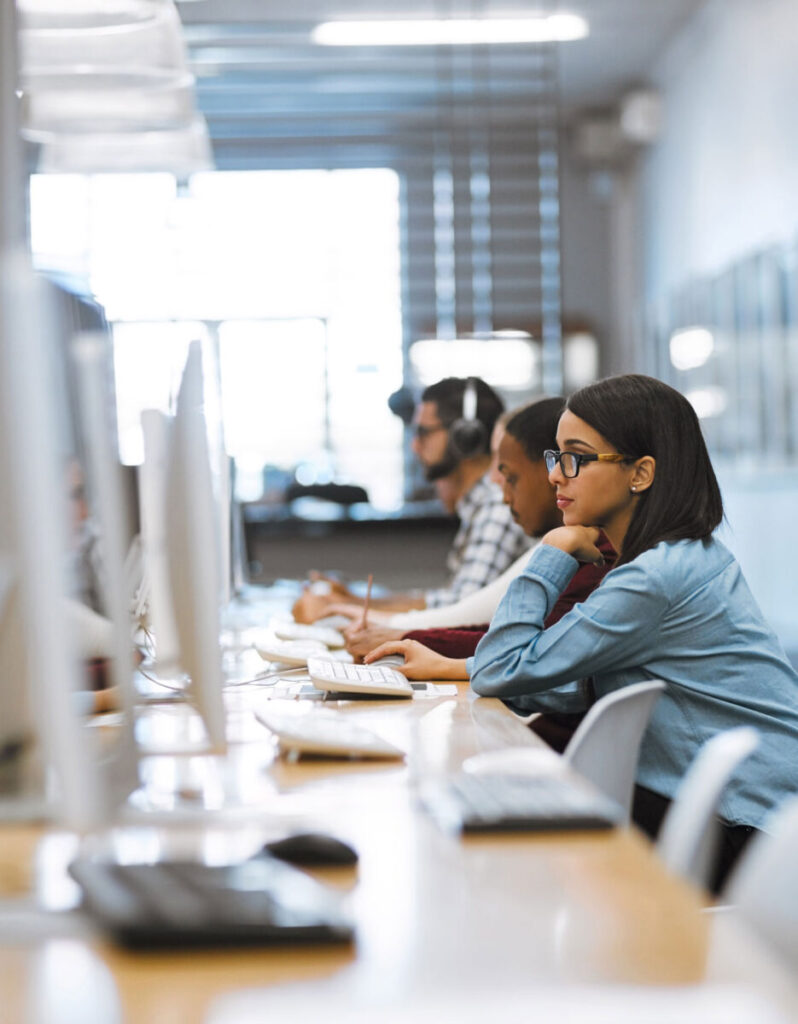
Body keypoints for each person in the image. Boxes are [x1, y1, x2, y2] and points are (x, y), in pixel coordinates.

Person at [368, 373, 798, 890]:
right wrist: (456, 667)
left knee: (492, 858)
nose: (556, 476)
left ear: (640, 473)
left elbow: (506, 667)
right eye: (555, 457)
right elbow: (576, 679)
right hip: (743, 811)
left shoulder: (653, 579)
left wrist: (551, 552)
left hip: (743, 831)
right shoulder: (678, 558)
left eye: (575, 457)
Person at [292, 376, 531, 621]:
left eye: (424, 433)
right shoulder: (480, 507)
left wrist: (345, 607)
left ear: (465, 438)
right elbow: (449, 600)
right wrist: (354, 601)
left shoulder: (497, 507)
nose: (415, 446)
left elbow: (460, 613)